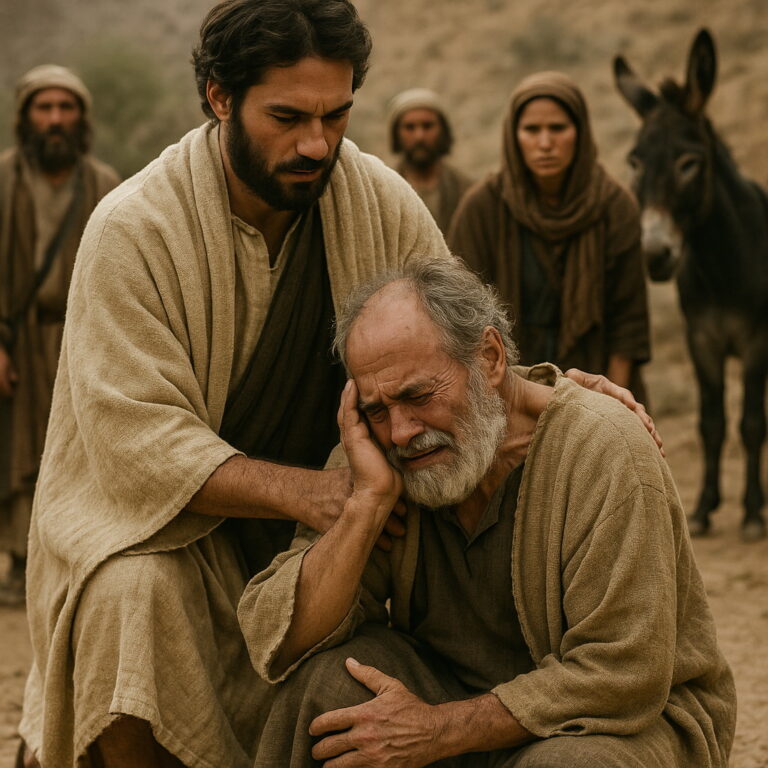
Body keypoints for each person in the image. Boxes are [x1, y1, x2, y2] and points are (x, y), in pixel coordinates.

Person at [17, 5, 660, 767]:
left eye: (337, 115)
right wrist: (321, 498)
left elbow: (455, 339)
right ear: (220, 97)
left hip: (327, 528)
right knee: (130, 596)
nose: (316, 143)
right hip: (176, 529)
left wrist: (552, 395)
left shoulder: (380, 202)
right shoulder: (133, 229)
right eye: (287, 117)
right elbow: (134, 440)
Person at [240, 258, 735, 768]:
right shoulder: (383, 452)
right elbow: (280, 641)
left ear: (490, 358)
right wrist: (365, 507)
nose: (403, 431)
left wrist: (439, 730)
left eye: (418, 395)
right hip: (454, 703)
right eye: (378, 409)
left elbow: (622, 673)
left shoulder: (602, 448)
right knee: (323, 686)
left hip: (619, 725)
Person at [448, 72, 650, 400]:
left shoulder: (614, 206)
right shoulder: (482, 208)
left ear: (580, 133)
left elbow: (628, 323)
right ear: (514, 136)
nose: (545, 143)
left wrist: (614, 404)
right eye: (531, 130)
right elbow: (462, 317)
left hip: (596, 387)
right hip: (508, 393)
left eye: (558, 128)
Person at [0, 65, 119, 606]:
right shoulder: (2, 181)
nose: (55, 119)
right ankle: (19, 561)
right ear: (25, 116)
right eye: (44, 108)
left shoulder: (105, 186)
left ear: (81, 118)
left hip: (81, 339)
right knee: (14, 448)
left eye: (65, 108)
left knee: (77, 453)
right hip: (16, 339)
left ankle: (68, 556)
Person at [388, 88, 472, 235]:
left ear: (443, 130)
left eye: (427, 126)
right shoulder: (383, 190)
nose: (419, 136)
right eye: (410, 127)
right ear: (397, 133)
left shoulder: (466, 192)